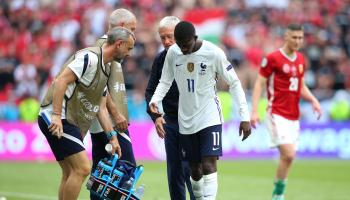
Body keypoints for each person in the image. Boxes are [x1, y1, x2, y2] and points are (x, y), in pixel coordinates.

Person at [149, 21, 251, 200]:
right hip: (186, 120)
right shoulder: (174, 52)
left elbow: (234, 82)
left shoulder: (214, 53)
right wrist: (155, 100)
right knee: (194, 170)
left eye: (186, 45)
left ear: (195, 38)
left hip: (209, 116)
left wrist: (245, 116)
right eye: (179, 45)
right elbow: (165, 80)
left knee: (208, 165)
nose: (183, 50)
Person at [38, 27, 135, 200]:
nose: (129, 53)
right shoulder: (89, 58)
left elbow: (100, 106)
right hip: (57, 117)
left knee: (70, 172)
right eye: (129, 48)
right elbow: (61, 81)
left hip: (67, 119)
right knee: (82, 168)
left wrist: (112, 136)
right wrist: (56, 115)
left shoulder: (104, 67)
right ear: (119, 44)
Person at [250, 23, 322, 200]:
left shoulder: (300, 60)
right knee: (288, 153)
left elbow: (301, 85)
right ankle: (279, 194)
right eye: (294, 37)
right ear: (286, 37)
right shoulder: (273, 58)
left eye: (300, 38)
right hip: (276, 112)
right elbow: (259, 83)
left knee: (289, 158)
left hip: (293, 116)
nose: (298, 41)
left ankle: (277, 194)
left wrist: (313, 100)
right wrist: (254, 111)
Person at [145, 16, 195, 200]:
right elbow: (150, 91)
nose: (166, 42)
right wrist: (156, 116)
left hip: (193, 122)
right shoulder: (161, 59)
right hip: (172, 123)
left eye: (170, 37)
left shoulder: (196, 57)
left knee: (192, 169)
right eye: (162, 38)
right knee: (175, 172)